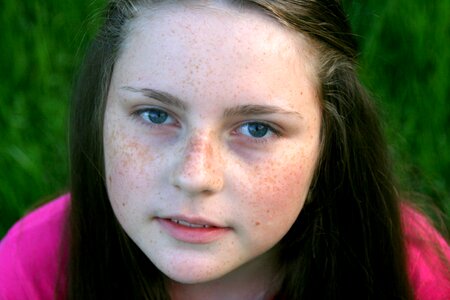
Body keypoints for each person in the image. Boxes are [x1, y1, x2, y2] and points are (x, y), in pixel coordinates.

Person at [0, 0, 449, 299]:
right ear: (101, 110)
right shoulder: (34, 270)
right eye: (156, 115)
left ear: (329, 143)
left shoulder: (406, 267)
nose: (196, 176)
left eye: (256, 128)